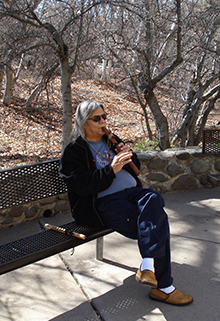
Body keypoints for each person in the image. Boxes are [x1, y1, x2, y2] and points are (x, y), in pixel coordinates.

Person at [60, 100, 193, 306]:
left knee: (153, 198)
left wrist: (129, 156)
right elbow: (80, 186)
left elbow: (134, 167)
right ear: (84, 122)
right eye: (98, 118)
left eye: (105, 116)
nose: (103, 121)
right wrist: (110, 170)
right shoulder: (75, 151)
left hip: (132, 193)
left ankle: (148, 267)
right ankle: (163, 287)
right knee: (158, 222)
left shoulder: (110, 140)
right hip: (102, 204)